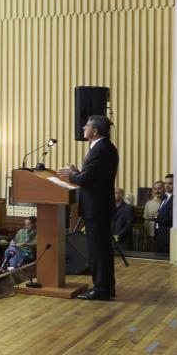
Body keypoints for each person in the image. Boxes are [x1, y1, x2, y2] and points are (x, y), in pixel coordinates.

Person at [57, 115, 120, 300]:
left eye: (87, 126)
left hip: (97, 207)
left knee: (98, 250)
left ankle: (101, 289)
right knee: (101, 249)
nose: (83, 128)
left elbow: (86, 180)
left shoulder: (101, 149)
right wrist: (77, 172)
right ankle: (106, 287)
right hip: (99, 206)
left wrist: (71, 174)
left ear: (95, 131)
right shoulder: (103, 147)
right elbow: (91, 176)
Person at [152, 173, 174, 253]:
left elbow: (172, 220)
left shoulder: (175, 199)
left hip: (167, 238)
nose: (167, 186)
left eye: (170, 184)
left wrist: (157, 217)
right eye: (165, 183)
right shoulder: (165, 197)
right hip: (159, 236)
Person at [141, 180, 165, 251]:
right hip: (151, 234)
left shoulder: (169, 202)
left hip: (164, 234)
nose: (157, 191)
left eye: (159, 188)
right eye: (155, 189)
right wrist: (145, 237)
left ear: (164, 188)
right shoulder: (149, 203)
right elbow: (146, 221)